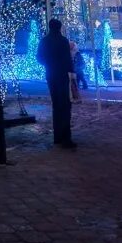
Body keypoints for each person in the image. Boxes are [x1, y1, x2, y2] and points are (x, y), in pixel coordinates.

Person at [36, 18, 76, 148]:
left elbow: (39, 57)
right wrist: (72, 74)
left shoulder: (44, 41)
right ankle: (66, 137)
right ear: (60, 27)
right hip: (63, 75)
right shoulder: (63, 41)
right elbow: (68, 59)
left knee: (56, 105)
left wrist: (48, 64)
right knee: (65, 105)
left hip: (50, 74)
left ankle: (57, 136)